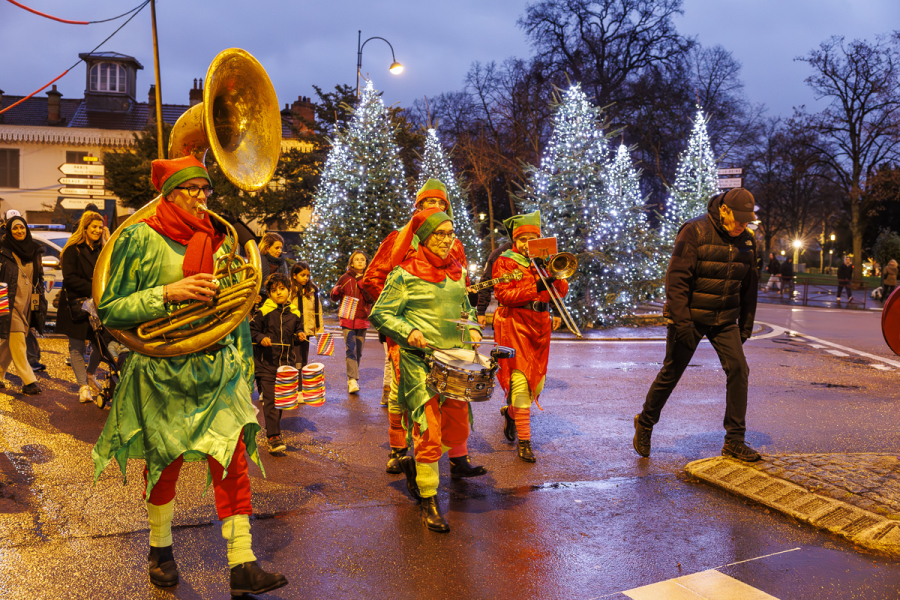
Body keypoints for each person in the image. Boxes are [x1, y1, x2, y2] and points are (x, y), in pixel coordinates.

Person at [91, 155, 288, 596]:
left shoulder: (217, 242)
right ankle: (160, 549)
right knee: (165, 464)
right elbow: (109, 308)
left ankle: (242, 564)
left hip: (217, 371)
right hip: (163, 372)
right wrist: (167, 293)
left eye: (206, 190)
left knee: (232, 462)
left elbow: (231, 312)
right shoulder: (138, 237)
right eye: (193, 190)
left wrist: (242, 368)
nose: (203, 198)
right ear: (170, 193)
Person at [369, 208, 484, 532]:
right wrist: (408, 332)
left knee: (458, 429)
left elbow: (465, 309)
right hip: (419, 365)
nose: (448, 240)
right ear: (425, 237)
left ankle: (415, 466)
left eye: (451, 233)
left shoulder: (458, 273)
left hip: (454, 361)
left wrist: (472, 327)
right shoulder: (403, 275)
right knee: (428, 432)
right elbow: (380, 314)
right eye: (440, 234)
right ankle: (429, 500)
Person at [633, 188, 761, 463]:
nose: (742, 225)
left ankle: (734, 440)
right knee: (672, 372)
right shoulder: (694, 231)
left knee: (739, 369)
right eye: (738, 219)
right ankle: (645, 422)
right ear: (724, 210)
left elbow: (750, 286)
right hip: (690, 316)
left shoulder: (748, 241)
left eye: (746, 221)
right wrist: (682, 322)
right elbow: (676, 278)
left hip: (725, 318)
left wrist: (745, 325)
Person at [360, 179, 475, 474]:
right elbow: (372, 279)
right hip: (407, 331)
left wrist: (468, 318)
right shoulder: (399, 238)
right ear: (418, 208)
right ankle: (399, 450)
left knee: (453, 391)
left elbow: (462, 285)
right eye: (428, 204)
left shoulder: (454, 242)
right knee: (403, 391)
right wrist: (402, 312)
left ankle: (457, 458)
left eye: (441, 204)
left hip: (446, 334)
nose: (435, 208)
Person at [492, 212, 568, 463]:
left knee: (537, 384)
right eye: (522, 238)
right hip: (515, 323)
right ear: (515, 240)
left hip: (540, 325)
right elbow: (504, 295)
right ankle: (525, 441)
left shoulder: (543, 261)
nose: (527, 243)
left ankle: (512, 415)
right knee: (521, 381)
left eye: (532, 238)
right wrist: (536, 286)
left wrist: (554, 271)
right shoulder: (505, 260)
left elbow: (561, 293)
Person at [251, 273, 306, 454]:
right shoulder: (264, 312)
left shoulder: (295, 313)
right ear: (269, 293)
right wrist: (261, 338)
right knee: (271, 401)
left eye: (282, 289)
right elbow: (252, 331)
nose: (278, 293)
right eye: (273, 291)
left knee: (281, 401)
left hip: (286, 365)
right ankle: (274, 437)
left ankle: (273, 432)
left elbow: (297, 332)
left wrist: (300, 335)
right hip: (265, 364)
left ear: (289, 290)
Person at [56, 211, 105, 403]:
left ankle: (90, 374)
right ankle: (83, 387)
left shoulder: (102, 250)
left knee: (102, 344)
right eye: (94, 226)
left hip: (98, 305)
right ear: (85, 228)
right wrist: (96, 288)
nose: (97, 230)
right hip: (77, 305)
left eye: (100, 227)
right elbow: (70, 279)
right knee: (77, 347)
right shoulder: (72, 250)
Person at [0, 215, 45, 395]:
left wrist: (39, 298)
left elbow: (38, 277)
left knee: (7, 343)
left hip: (27, 303)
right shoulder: (3, 250)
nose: (19, 231)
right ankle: (28, 381)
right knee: (18, 340)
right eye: (15, 229)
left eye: (21, 228)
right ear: (9, 231)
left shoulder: (34, 250)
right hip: (8, 302)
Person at [331, 250, 371, 394]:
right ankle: (352, 379)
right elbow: (334, 297)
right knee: (351, 348)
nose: (360, 262)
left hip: (362, 318)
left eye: (363, 260)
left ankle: (353, 377)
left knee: (358, 351)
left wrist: (362, 283)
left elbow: (371, 298)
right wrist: (335, 291)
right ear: (352, 263)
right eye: (357, 259)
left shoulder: (368, 278)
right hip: (347, 319)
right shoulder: (345, 277)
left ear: (366, 263)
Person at [290, 261, 324, 370]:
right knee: (294, 358)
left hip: (306, 330)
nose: (306, 278)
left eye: (308, 275)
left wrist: (319, 330)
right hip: (293, 331)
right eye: (303, 275)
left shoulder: (311, 291)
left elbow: (318, 311)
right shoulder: (290, 291)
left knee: (304, 359)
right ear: (294, 275)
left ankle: (301, 381)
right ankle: (294, 381)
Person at [475, 241, 513, 328]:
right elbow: (486, 283)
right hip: (507, 316)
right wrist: (481, 311)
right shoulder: (499, 254)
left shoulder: (537, 253)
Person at [257, 232, 289, 305]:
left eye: (281, 248)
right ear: (267, 248)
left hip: (278, 302)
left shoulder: (282, 263)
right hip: (260, 300)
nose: (280, 251)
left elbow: (286, 283)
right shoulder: (258, 261)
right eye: (277, 248)